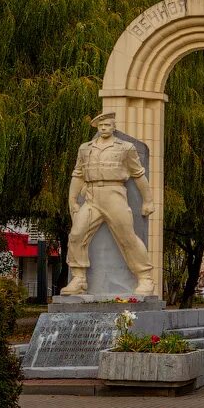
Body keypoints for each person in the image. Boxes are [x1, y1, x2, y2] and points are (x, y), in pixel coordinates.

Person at [62, 112, 155, 295]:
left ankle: (145, 278)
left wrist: (148, 200)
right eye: (101, 125)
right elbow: (78, 174)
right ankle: (79, 279)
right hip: (91, 195)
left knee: (127, 237)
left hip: (114, 194)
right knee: (76, 235)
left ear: (114, 126)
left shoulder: (125, 147)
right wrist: (72, 199)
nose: (104, 128)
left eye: (107, 125)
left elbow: (138, 175)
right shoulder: (85, 148)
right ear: (97, 127)